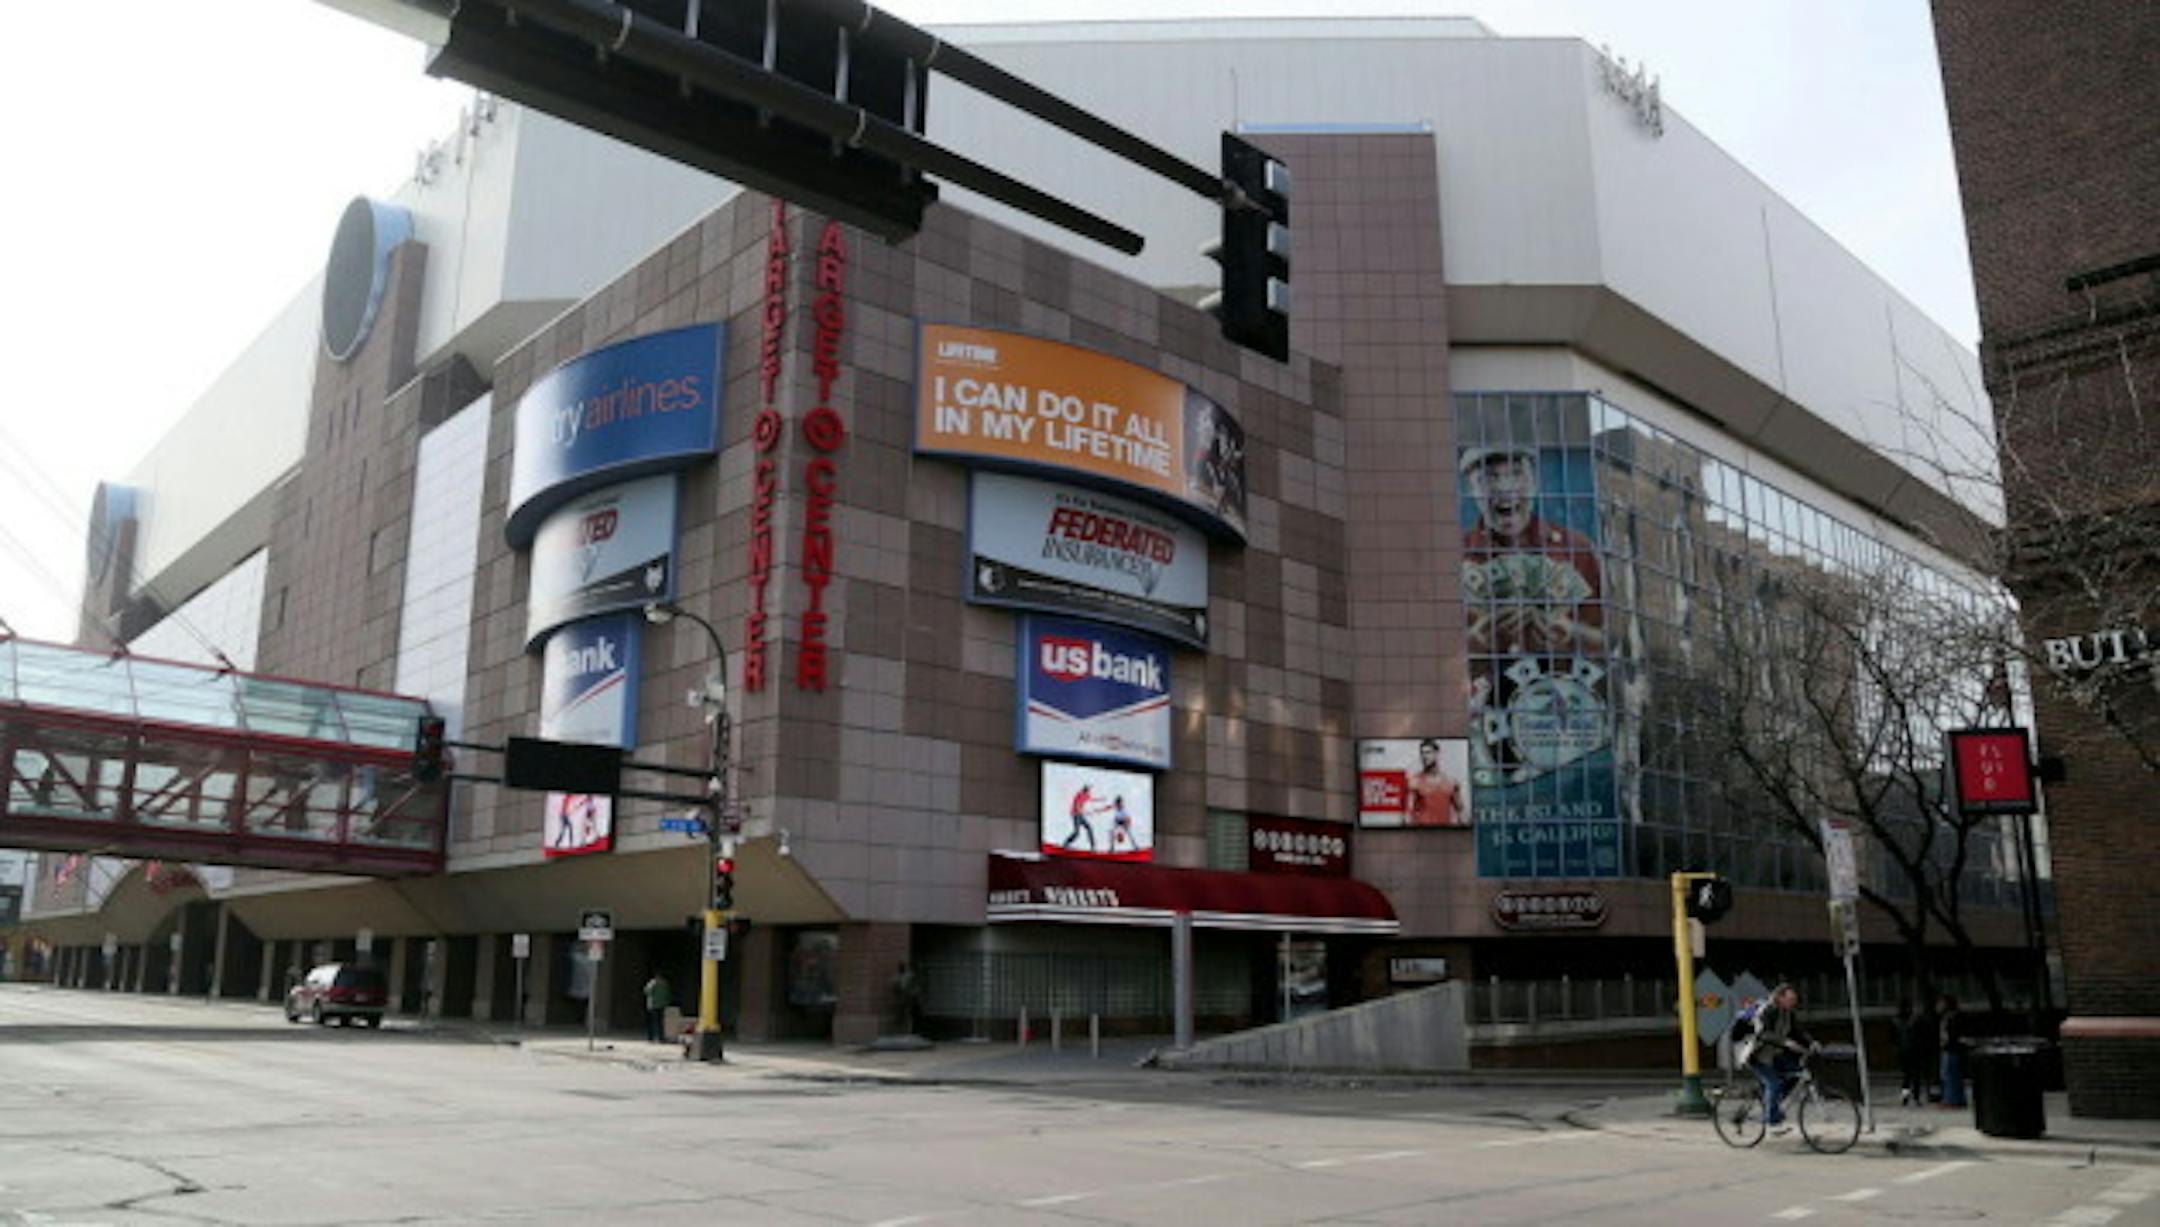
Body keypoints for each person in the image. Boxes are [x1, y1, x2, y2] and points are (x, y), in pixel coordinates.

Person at [1460, 446, 1606, 656]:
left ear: (1534, 483)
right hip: (1479, 685)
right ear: (1471, 490)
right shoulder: (1451, 556)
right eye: (1488, 478)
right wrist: (1475, 641)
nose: (1504, 488)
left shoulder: (1577, 548)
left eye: (1516, 474)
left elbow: (1610, 643)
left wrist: (1570, 634)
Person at [1744, 983, 1817, 1134]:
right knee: (1774, 1083)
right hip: (1759, 1056)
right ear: (1780, 997)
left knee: (1797, 1075)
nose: (1793, 1002)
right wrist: (1785, 1042)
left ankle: (1773, 1106)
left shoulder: (1788, 1013)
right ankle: (1771, 1121)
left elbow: (1799, 1030)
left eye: (1795, 999)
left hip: (1775, 1055)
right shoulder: (1767, 1010)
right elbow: (1763, 1033)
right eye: (1790, 999)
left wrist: (1811, 1042)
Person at [1405, 738, 1466, 827]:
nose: (1424, 756)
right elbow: (1408, 816)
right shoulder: (1414, 782)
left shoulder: (1451, 782)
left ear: (1437, 754)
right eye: (1422, 753)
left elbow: (1461, 813)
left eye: (1428, 752)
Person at [1896, 998, 1940, 1106]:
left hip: (1904, 1051)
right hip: (1914, 1051)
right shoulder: (1916, 1021)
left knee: (1907, 1076)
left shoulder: (1898, 1021)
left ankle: (1906, 1096)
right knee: (1915, 1076)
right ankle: (1915, 1097)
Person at [1938, 994, 1971, 1108]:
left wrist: (1947, 1042)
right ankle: (1956, 1099)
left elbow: (1952, 1034)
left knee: (1950, 1075)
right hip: (1951, 1048)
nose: (1939, 1005)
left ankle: (1952, 1100)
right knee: (1952, 1074)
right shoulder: (1950, 1017)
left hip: (1952, 1049)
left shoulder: (1952, 1017)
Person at [642, 971, 673, 1044]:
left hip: (653, 1005)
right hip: (662, 1005)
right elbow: (668, 994)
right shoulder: (665, 983)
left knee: (652, 1022)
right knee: (660, 1022)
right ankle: (661, 1038)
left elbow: (646, 991)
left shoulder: (653, 983)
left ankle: (651, 1038)